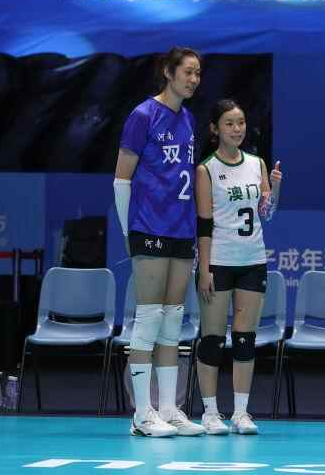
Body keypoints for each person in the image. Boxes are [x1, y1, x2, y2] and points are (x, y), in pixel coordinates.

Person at [114, 47, 205, 437]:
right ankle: (141, 414)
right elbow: (122, 179)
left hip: (181, 229)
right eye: (187, 72)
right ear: (168, 72)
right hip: (148, 227)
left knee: (173, 320)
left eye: (198, 73)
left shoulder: (189, 118)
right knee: (149, 317)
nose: (194, 79)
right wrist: (127, 232)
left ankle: (169, 409)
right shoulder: (142, 115)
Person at [195, 99, 282, 435]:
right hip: (218, 262)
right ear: (215, 129)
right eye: (229, 123)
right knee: (213, 339)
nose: (237, 129)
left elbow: (266, 214)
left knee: (245, 339)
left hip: (252, 261)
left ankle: (241, 413)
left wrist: (275, 187)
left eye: (241, 122)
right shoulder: (206, 169)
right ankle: (210, 413)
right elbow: (204, 224)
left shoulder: (257, 163)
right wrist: (205, 269)